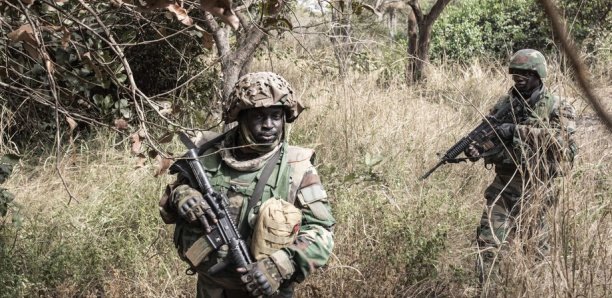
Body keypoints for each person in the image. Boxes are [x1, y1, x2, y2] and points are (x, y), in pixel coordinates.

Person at [158, 72, 335, 297]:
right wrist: (182, 195)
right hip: (212, 289)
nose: (269, 125)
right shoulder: (209, 156)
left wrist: (278, 266)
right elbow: (169, 203)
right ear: (242, 118)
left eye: (276, 116)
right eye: (259, 117)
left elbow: (322, 233)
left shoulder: (297, 166)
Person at [464, 49, 577, 283]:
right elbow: (491, 136)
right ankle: (486, 289)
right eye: (515, 72)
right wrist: (479, 149)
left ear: (539, 74)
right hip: (504, 186)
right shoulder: (504, 104)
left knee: (534, 249)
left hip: (536, 188)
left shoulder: (557, 105)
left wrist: (516, 131)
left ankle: (533, 288)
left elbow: (564, 143)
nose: (519, 77)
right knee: (488, 241)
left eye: (525, 72)